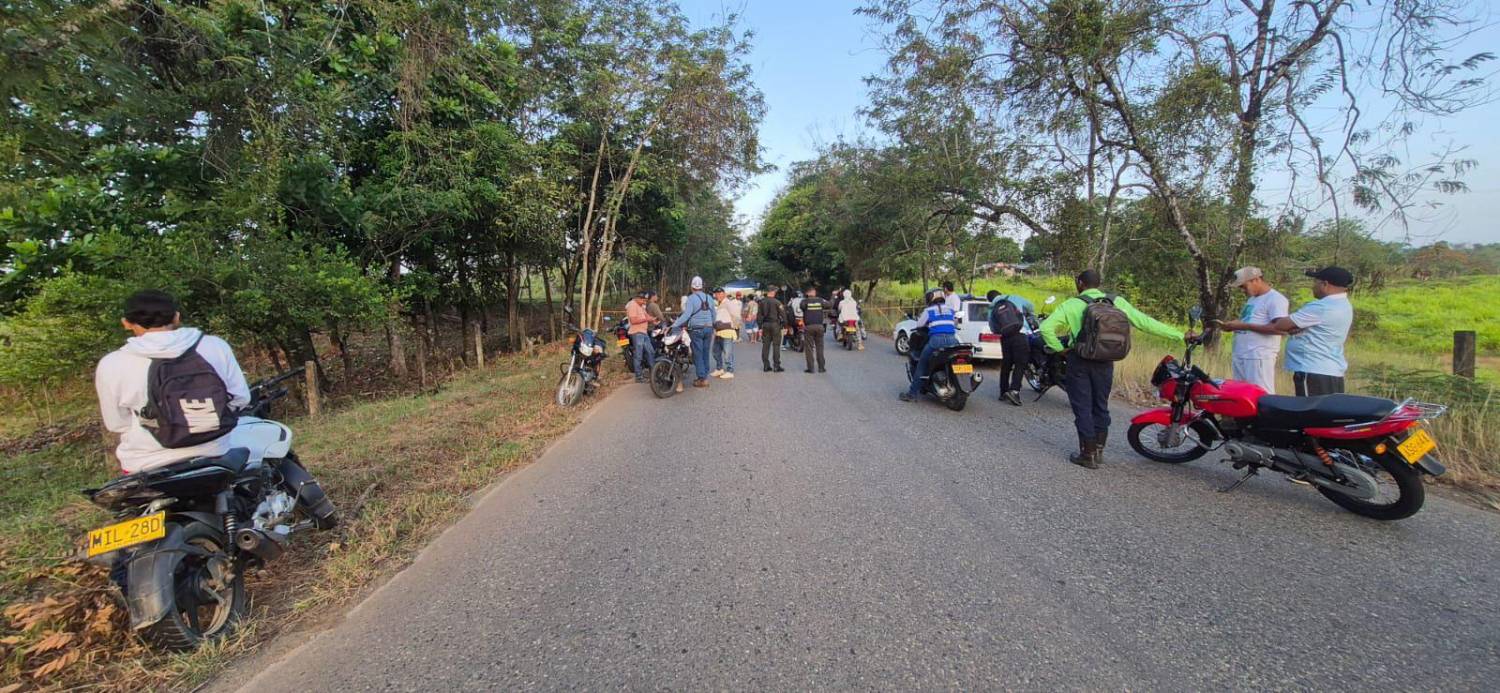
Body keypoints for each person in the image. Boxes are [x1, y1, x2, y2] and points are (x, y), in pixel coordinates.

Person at [1040, 270, 1188, 469]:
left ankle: (1088, 454)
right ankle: (1099, 449)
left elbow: (1046, 328)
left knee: (1083, 406)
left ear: (1080, 283)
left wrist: (1061, 350)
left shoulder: (1072, 304)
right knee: (1100, 405)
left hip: (1079, 360)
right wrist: (1179, 335)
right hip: (1106, 361)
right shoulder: (1117, 302)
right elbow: (1145, 323)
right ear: (1099, 283)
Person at [95, 290, 251, 473]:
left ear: (126, 323)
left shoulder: (112, 363)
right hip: (213, 451)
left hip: (146, 461)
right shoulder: (214, 346)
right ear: (176, 317)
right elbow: (240, 398)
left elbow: (117, 423)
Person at [1272, 267, 1355, 397]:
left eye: (1315, 282)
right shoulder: (1344, 304)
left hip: (1313, 369)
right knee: (1328, 413)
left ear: (1325, 284)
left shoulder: (1321, 307)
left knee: (1310, 413)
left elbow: (1280, 324)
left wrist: (1293, 326)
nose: (1313, 287)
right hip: (1330, 370)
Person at [1215, 267, 1289, 394]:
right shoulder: (1252, 299)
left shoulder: (1275, 299)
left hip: (1259, 356)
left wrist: (1245, 326)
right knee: (1242, 396)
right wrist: (1233, 326)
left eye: (1244, 286)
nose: (1243, 290)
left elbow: (1281, 329)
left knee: (1260, 395)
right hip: (1242, 354)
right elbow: (1249, 321)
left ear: (1255, 280)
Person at [898, 289, 958, 402]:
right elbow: (955, 323)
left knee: (922, 364)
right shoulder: (950, 309)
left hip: (936, 340)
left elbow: (919, 324)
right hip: (953, 340)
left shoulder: (929, 310)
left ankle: (912, 394)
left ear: (930, 298)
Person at [986, 289, 1036, 406]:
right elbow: (1031, 306)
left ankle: (1003, 392)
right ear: (1000, 294)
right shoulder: (1015, 297)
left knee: (1006, 365)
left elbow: (993, 329)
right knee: (1020, 364)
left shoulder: (992, 308)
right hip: (1021, 334)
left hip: (1005, 338)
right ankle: (1014, 391)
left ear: (990, 300)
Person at [669, 276, 716, 388]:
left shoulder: (691, 298)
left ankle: (702, 379)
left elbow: (686, 315)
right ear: (702, 286)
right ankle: (704, 374)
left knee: (698, 354)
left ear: (692, 287)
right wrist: (711, 325)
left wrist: (674, 325)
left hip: (696, 330)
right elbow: (714, 314)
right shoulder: (709, 298)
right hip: (708, 328)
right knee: (705, 352)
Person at [624, 292, 656, 383]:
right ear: (637, 298)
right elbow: (633, 320)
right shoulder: (632, 305)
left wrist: (653, 320)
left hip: (643, 332)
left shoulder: (641, 306)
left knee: (651, 352)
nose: (644, 302)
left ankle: (653, 372)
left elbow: (646, 316)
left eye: (645, 300)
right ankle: (638, 376)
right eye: (643, 300)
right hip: (637, 333)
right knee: (638, 355)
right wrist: (646, 319)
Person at [800, 286, 831, 373]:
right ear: (814, 293)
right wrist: (833, 296)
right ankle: (821, 368)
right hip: (819, 327)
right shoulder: (821, 300)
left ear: (807, 293)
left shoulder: (804, 301)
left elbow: (801, 307)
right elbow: (829, 305)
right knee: (820, 348)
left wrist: (806, 298)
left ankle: (811, 368)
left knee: (809, 348)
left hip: (809, 327)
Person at [710, 287, 740, 379]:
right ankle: (719, 369)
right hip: (719, 332)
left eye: (719, 293)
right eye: (716, 294)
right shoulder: (719, 304)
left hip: (727, 331)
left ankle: (730, 371)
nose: (717, 295)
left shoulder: (728, 302)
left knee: (727, 353)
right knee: (715, 351)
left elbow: (736, 315)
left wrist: (733, 326)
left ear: (724, 293)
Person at [758, 287, 786, 372]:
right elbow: (783, 315)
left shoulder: (761, 302)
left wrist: (760, 327)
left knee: (765, 345)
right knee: (776, 345)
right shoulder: (777, 302)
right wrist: (785, 325)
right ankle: (776, 366)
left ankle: (766, 366)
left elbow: (759, 316)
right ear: (773, 292)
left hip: (765, 325)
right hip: (775, 325)